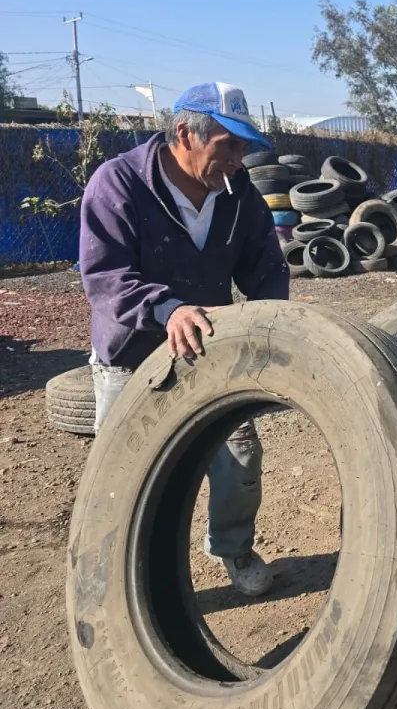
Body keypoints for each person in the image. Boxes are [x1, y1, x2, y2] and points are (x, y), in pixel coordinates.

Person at [79, 82, 287, 597]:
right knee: (125, 481)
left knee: (238, 460)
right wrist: (168, 309)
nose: (239, 161)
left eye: (243, 147)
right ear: (184, 135)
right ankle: (127, 578)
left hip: (207, 353)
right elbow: (105, 278)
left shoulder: (239, 197)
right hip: (131, 357)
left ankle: (232, 548)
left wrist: (277, 325)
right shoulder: (120, 184)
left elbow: (266, 267)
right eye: (229, 146)